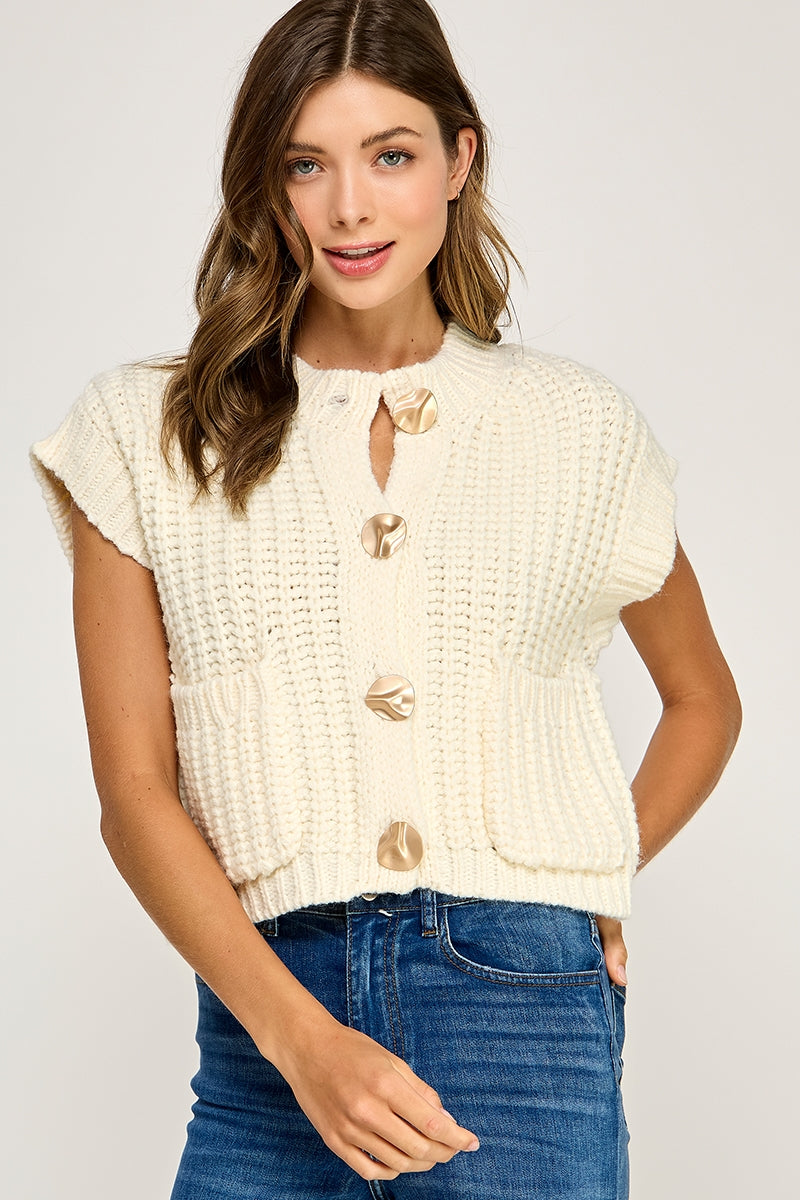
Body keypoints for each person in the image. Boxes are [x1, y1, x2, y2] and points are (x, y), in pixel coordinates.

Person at [30, 1, 741, 1196]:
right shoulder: (147, 433)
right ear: (267, 186)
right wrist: (299, 1042)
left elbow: (702, 700)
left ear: (460, 159)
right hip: (267, 1025)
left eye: (390, 155)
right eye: (305, 164)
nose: (348, 207)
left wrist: (595, 871)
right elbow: (134, 793)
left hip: (523, 1009)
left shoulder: (577, 428)